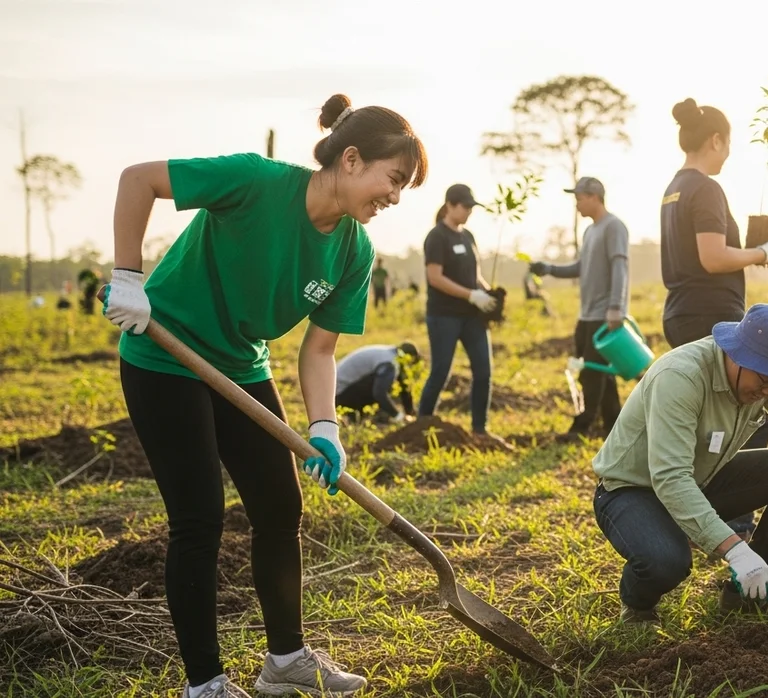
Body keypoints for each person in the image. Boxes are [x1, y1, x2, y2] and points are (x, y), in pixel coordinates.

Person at [99, 93, 427, 698]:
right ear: (351, 159)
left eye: (404, 187)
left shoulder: (354, 251)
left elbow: (319, 350)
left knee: (280, 508)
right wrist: (127, 275)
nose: (396, 197)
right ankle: (206, 685)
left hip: (241, 365)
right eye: (394, 179)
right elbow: (137, 179)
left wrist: (325, 426)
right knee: (198, 518)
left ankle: (285, 662)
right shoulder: (255, 180)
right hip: (163, 354)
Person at [591, 304, 768, 624]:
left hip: (703, 477)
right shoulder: (681, 376)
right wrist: (736, 551)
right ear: (738, 356)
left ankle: (748, 594)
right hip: (631, 491)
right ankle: (637, 605)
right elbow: (670, 478)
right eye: (767, 380)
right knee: (667, 562)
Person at [659, 97, 768, 538]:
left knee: (701, 417)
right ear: (715, 140)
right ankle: (734, 520)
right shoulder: (706, 188)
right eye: (728, 143)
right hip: (712, 313)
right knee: (749, 414)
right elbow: (713, 257)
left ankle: (695, 510)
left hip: (680, 309)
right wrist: (765, 254)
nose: (729, 153)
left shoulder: (673, 189)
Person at [528, 176, 630, 439]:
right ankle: (614, 427)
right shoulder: (590, 230)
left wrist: (616, 308)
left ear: (595, 197)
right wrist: (548, 269)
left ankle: (581, 428)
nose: (577, 205)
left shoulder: (614, 227)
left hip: (605, 315)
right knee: (601, 373)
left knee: (591, 373)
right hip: (586, 315)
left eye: (579, 199)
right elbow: (580, 268)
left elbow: (620, 267)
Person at [416, 183, 503, 442]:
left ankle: (480, 429)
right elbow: (435, 277)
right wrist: (470, 295)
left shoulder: (468, 237)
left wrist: (487, 293)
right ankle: (422, 424)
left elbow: (474, 275)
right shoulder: (437, 237)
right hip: (444, 316)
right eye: (465, 207)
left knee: (484, 371)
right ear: (450, 205)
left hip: (472, 316)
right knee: (441, 371)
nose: (469, 212)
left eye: (471, 208)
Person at [335, 341, 420, 423]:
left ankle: (359, 417)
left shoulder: (388, 354)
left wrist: (411, 412)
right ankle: (374, 417)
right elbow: (379, 394)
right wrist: (399, 416)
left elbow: (404, 386)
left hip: (337, 390)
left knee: (385, 382)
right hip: (339, 394)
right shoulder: (389, 364)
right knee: (383, 385)